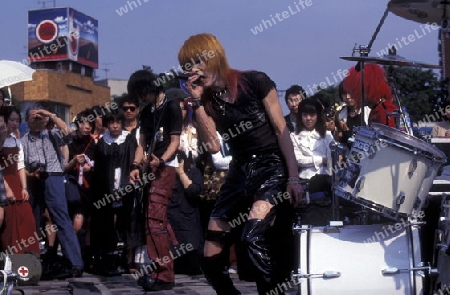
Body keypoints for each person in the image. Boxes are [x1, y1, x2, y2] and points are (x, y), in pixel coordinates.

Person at [177, 33, 302, 295]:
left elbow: (281, 129)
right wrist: (198, 104)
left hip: (271, 165)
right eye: (188, 67)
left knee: (252, 237)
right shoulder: (207, 99)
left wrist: (292, 177)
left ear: (214, 57)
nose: (195, 71)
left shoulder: (255, 81)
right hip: (238, 170)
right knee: (210, 254)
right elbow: (211, 146)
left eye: (198, 63)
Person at [128, 68, 182, 291]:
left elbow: (175, 142)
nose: (140, 98)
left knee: (155, 220)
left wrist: (161, 159)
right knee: (152, 220)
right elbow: (141, 142)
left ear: (152, 87)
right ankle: (164, 261)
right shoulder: (147, 112)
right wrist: (134, 165)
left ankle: (165, 274)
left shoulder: (171, 107)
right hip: (149, 169)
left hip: (165, 169)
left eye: (142, 92)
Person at [22, 104, 83, 278]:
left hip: (54, 177)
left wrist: (50, 114)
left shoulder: (52, 134)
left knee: (62, 219)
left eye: (40, 117)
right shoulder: (24, 140)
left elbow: (69, 133)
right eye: (33, 116)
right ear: (26, 120)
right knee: (32, 220)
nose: (37, 119)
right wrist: (31, 173)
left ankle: (75, 263)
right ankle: (31, 264)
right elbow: (21, 165)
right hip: (34, 179)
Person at [90, 108, 137, 276]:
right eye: (111, 123)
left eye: (118, 122)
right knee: (108, 222)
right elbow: (98, 168)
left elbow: (133, 163)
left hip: (126, 185)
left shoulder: (129, 139)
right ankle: (107, 259)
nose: (115, 126)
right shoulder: (102, 142)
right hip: (106, 188)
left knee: (127, 221)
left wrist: (125, 187)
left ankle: (128, 260)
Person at [0, 106, 40, 255]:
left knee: (27, 218)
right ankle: (10, 257)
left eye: (17, 120)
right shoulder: (1, 141)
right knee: (8, 223)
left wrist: (24, 187)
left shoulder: (17, 142)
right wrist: (6, 188)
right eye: (11, 120)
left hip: (16, 183)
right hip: (3, 183)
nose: (15, 124)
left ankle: (27, 257)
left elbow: (20, 166)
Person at [290, 99, 335, 225]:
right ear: (300, 116)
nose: (308, 118)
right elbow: (298, 160)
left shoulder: (327, 135)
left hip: (325, 183)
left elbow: (332, 159)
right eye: (305, 115)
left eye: (312, 115)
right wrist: (322, 159)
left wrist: (326, 161)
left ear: (318, 116)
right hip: (306, 183)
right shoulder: (293, 136)